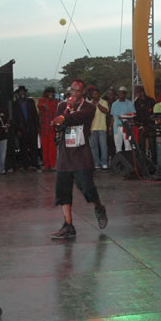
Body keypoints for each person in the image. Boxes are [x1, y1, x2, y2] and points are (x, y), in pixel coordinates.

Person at [50, 80, 108, 239]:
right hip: (65, 153)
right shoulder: (62, 106)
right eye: (72, 90)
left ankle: (99, 207)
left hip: (81, 153)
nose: (74, 94)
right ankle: (68, 225)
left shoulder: (89, 107)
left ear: (83, 93)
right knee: (63, 190)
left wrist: (64, 117)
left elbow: (78, 118)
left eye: (77, 91)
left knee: (87, 188)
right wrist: (63, 114)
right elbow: (58, 125)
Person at [12, 86, 41, 172]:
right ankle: (25, 165)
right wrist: (17, 130)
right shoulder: (15, 104)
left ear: (25, 92)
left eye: (23, 92)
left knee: (34, 147)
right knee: (23, 148)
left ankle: (34, 164)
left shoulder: (31, 102)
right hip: (21, 129)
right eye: (20, 92)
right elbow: (14, 118)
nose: (22, 93)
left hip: (31, 128)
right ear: (18, 93)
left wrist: (37, 127)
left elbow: (35, 115)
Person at [109, 86, 136, 153]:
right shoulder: (114, 104)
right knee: (118, 147)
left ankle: (128, 162)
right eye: (119, 93)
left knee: (128, 146)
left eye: (122, 93)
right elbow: (113, 116)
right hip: (116, 128)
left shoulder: (129, 104)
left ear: (125, 94)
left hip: (126, 127)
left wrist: (125, 117)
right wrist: (110, 127)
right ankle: (119, 163)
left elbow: (133, 116)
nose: (121, 94)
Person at [38, 87, 59, 170]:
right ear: (45, 93)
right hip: (44, 128)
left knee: (52, 148)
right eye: (49, 92)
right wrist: (43, 105)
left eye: (52, 92)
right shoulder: (42, 100)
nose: (50, 94)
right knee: (45, 147)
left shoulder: (57, 101)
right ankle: (46, 165)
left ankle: (52, 164)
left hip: (53, 128)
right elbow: (39, 105)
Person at [88, 86, 110, 169]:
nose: (95, 95)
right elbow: (88, 116)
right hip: (92, 128)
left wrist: (97, 104)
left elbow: (106, 111)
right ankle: (96, 163)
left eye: (96, 94)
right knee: (94, 147)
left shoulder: (103, 102)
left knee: (103, 146)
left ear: (99, 94)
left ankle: (104, 162)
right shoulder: (90, 103)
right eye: (93, 94)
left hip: (102, 128)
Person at [133, 85, 156, 156]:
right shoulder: (136, 102)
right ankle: (143, 162)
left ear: (142, 92)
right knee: (141, 145)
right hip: (141, 126)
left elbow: (154, 114)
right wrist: (139, 124)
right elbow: (136, 116)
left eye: (137, 93)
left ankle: (154, 162)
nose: (136, 95)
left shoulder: (151, 101)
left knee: (153, 145)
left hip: (151, 126)